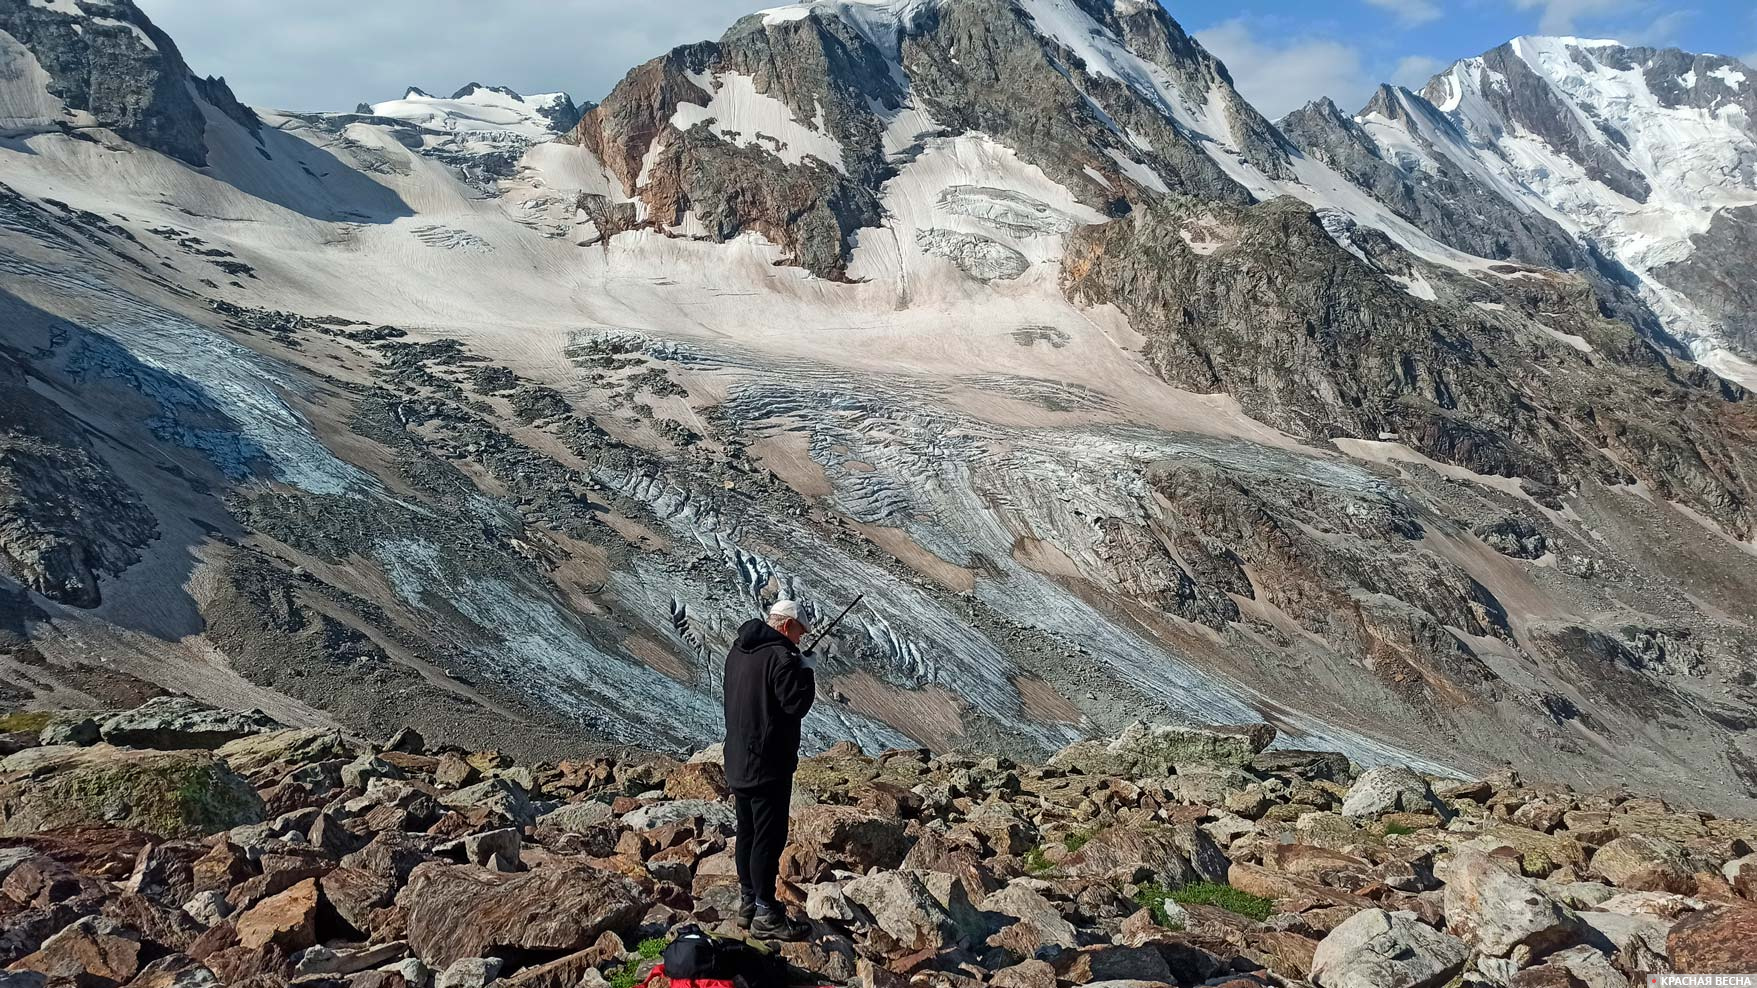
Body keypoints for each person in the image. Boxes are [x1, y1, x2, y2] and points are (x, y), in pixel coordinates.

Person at [722, 599, 816, 941]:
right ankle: (765, 911)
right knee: (769, 837)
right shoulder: (781, 657)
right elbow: (796, 704)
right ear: (787, 626)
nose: (801, 640)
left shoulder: (738, 651)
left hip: (737, 759)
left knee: (746, 832)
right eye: (800, 633)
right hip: (768, 765)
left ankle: (748, 902)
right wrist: (806, 670)